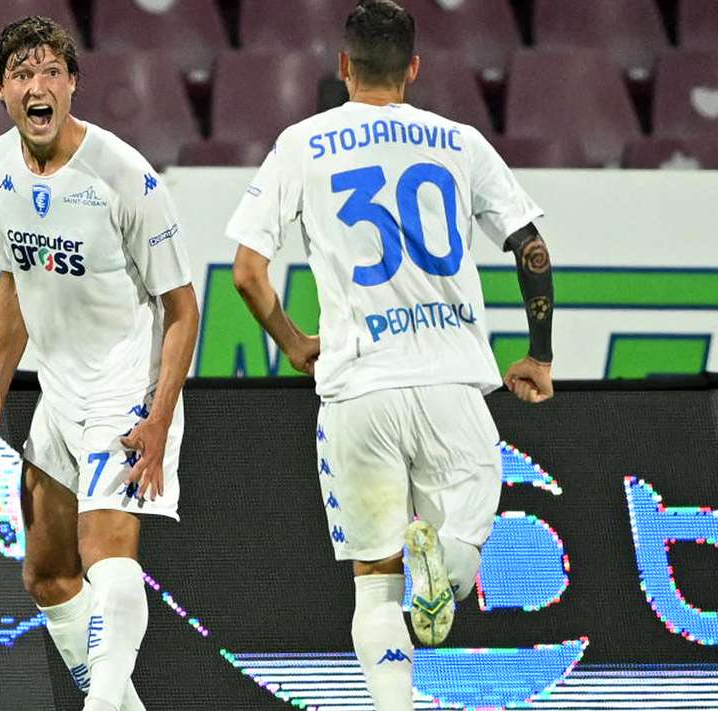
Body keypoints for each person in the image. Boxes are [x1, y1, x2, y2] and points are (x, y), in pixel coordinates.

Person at [225, 1, 555, 709]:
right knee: (461, 545)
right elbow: (531, 246)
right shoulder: (459, 142)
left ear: (344, 65)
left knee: (374, 584)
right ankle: (447, 565)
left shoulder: (302, 143)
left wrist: (295, 343)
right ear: (414, 68)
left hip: (359, 390)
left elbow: (247, 273)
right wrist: (539, 355)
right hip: (450, 384)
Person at [0, 16, 198, 711]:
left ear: (73, 84)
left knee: (107, 551)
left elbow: (182, 309)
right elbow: (14, 284)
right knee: (47, 577)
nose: (37, 85)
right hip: (60, 393)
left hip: (127, 389)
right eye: (22, 74)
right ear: (0, 90)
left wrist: (159, 417)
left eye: (51, 71)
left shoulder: (124, 176)